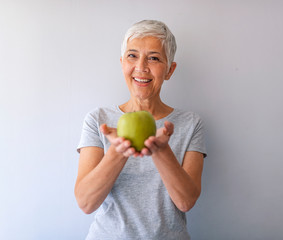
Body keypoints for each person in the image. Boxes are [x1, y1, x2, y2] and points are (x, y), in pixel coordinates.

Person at [75, 20, 207, 240]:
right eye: (132, 55)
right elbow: (86, 203)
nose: (141, 67)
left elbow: (186, 202)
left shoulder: (190, 123)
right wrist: (118, 152)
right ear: (122, 63)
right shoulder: (98, 120)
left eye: (154, 58)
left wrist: (162, 151)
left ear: (169, 70)